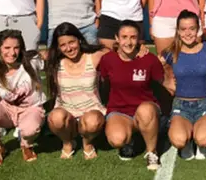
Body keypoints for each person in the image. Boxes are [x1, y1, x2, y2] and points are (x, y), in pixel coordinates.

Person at [44, 22, 147, 160]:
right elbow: (23, 57)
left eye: (72, 42)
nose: (68, 48)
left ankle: (87, 143)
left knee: (92, 121)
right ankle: (68, 142)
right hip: (66, 112)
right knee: (55, 118)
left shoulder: (94, 57)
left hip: (91, 111)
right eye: (63, 45)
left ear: (79, 40)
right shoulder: (54, 61)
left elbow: (120, 51)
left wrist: (139, 48)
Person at [0, 29, 46, 170]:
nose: (12, 53)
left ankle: (26, 144)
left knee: (30, 129)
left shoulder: (32, 62)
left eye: (16, 47)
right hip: (7, 110)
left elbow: (53, 58)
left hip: (32, 109)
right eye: (7, 48)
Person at [98, 21, 164, 170]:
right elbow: (104, 84)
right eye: (124, 37)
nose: (128, 42)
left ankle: (152, 152)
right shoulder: (108, 60)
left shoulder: (149, 59)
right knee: (117, 139)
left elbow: (161, 85)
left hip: (145, 110)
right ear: (117, 38)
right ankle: (132, 139)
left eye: (133, 37)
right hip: (120, 110)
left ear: (139, 39)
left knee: (146, 110)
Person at [162, 10, 206, 161]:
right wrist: (166, 80)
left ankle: (202, 141)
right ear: (178, 31)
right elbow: (149, 64)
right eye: (183, 29)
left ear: (198, 29)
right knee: (178, 140)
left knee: (204, 139)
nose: (187, 33)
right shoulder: (170, 52)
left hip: (204, 105)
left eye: (192, 28)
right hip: (180, 106)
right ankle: (187, 142)